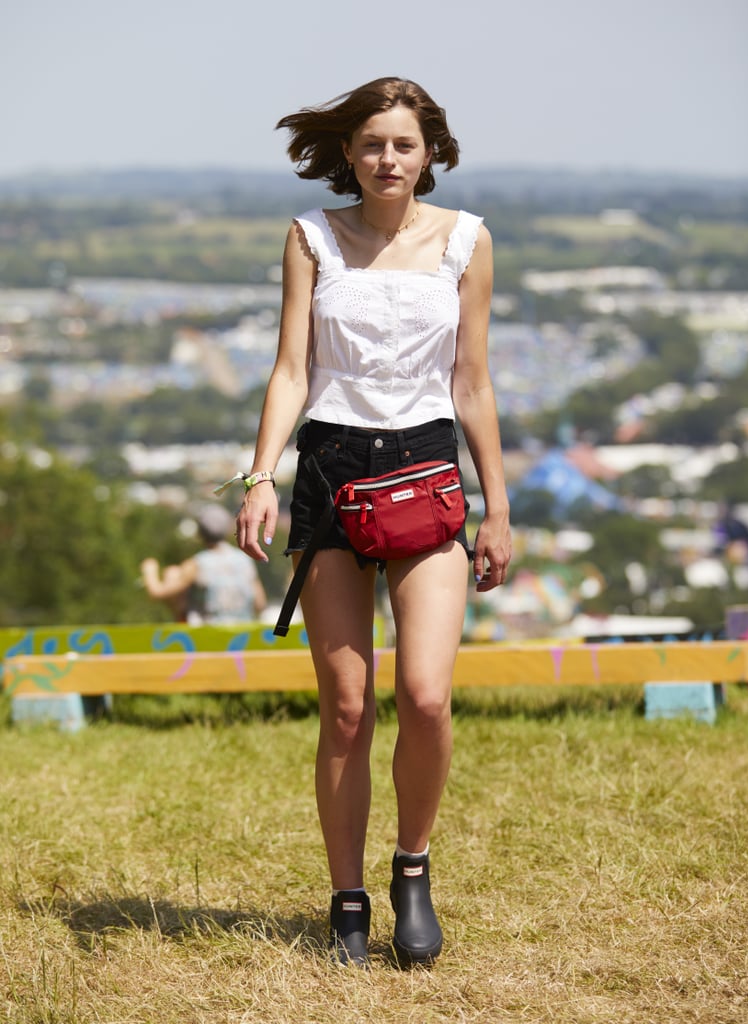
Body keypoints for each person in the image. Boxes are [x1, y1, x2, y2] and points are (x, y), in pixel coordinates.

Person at [235, 77, 511, 968]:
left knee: (427, 696)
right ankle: (347, 896)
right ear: (347, 155)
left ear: (430, 150)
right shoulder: (312, 236)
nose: (386, 160)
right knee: (347, 707)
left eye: (402, 144)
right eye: (370, 146)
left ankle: (413, 870)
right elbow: (290, 369)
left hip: (426, 472)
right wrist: (260, 476)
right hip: (328, 473)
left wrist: (498, 506)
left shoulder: (467, 240)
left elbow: (471, 381)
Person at [140, 504, 267, 623]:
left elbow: (157, 593)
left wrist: (149, 570)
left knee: (172, 573)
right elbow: (260, 603)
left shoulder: (197, 564)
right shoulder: (244, 560)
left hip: (206, 635)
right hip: (241, 634)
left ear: (200, 533)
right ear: (228, 530)